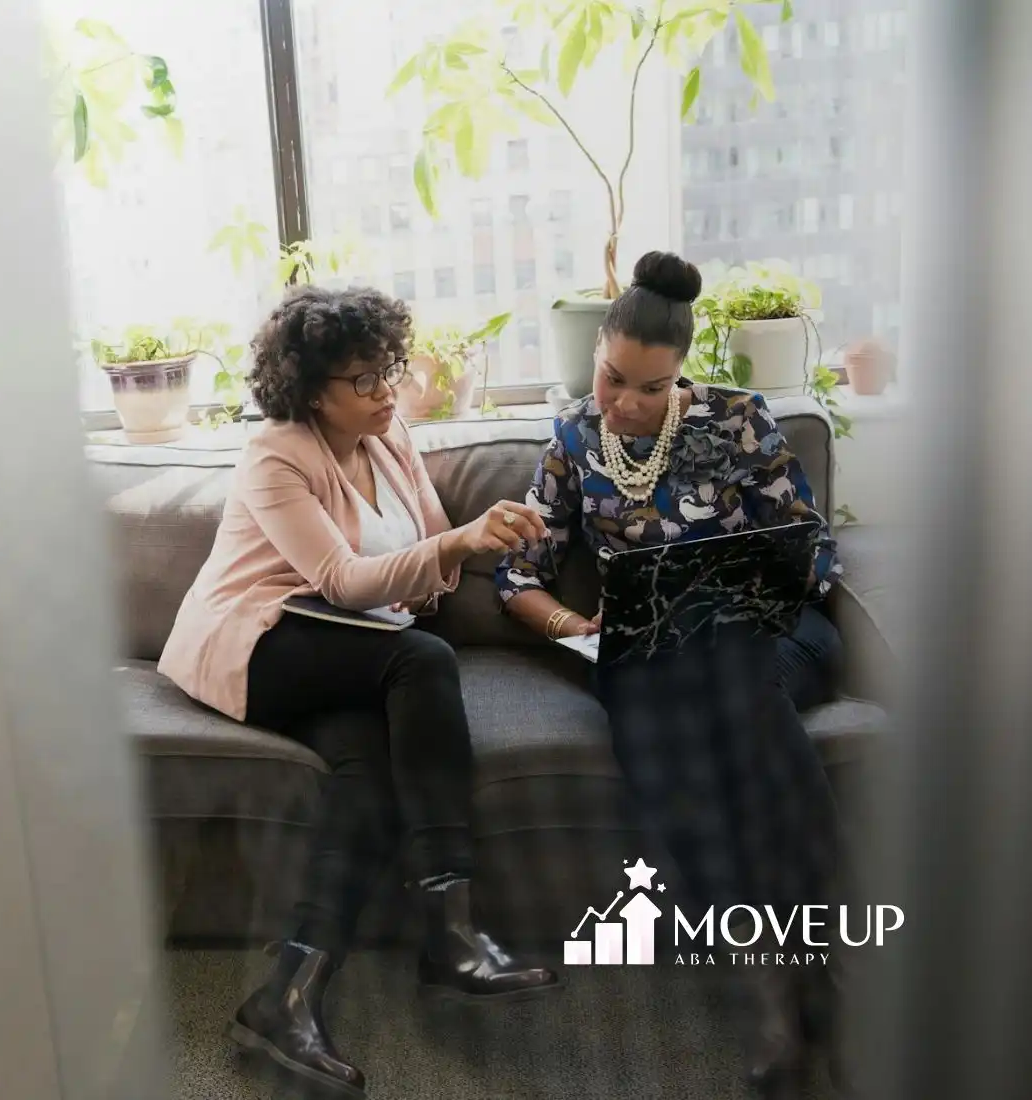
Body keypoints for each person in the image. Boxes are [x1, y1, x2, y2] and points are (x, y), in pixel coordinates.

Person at [159, 285, 557, 1098]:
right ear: (309, 390)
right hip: (259, 638)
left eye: (387, 372)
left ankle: (287, 995)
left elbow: (427, 560)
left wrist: (479, 544)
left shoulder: (388, 439)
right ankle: (449, 926)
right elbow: (340, 580)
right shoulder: (276, 454)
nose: (385, 393)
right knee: (422, 663)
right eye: (362, 380)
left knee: (368, 778)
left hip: (347, 649)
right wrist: (453, 546)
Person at [495, 251, 848, 1098]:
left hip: (768, 636)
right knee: (669, 734)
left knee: (736, 685)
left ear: (681, 376)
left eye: (650, 389)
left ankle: (804, 963)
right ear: (597, 354)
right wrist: (574, 624)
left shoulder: (738, 420)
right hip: (647, 658)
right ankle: (779, 979)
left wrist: (750, 579)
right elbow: (517, 576)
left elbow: (815, 552)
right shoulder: (572, 438)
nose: (624, 403)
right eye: (612, 377)